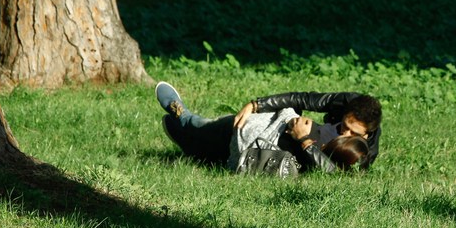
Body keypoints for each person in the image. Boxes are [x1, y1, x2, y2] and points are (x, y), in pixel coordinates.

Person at [156, 82, 382, 173]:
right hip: (281, 132)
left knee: (214, 139)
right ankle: (186, 122)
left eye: (354, 133)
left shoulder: (366, 153)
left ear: (368, 133)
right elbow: (301, 98)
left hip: (282, 151)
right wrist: (257, 104)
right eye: (345, 126)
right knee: (216, 129)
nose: (345, 133)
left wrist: (305, 141)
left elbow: (334, 173)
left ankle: (186, 125)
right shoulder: (345, 102)